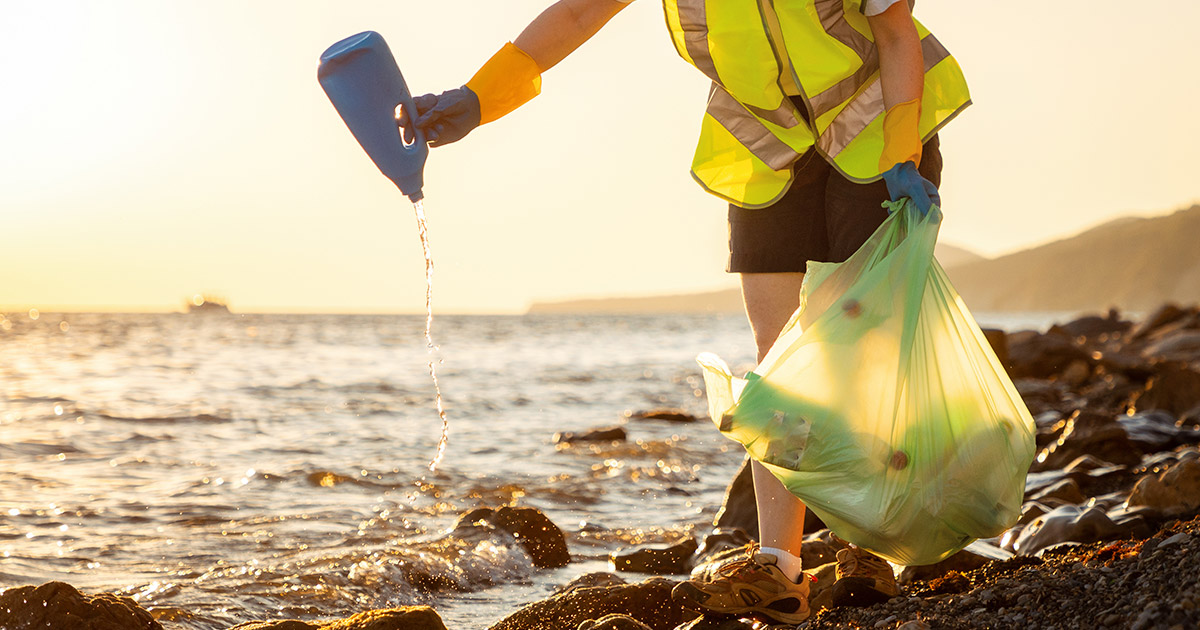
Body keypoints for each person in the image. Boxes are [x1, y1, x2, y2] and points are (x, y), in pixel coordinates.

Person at [398, 0, 969, 623]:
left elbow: (892, 30)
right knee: (775, 356)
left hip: (877, 132)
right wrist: (481, 97)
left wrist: (903, 149)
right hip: (770, 148)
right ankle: (778, 567)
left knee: (858, 344)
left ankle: (867, 550)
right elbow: (578, 13)